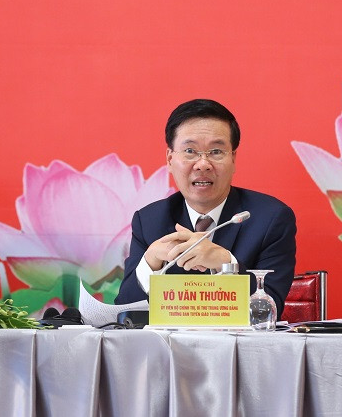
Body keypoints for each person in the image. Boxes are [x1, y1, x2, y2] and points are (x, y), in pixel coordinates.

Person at [116, 99, 297, 317]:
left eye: (216, 151)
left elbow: (267, 311)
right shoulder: (149, 221)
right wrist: (150, 263)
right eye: (190, 151)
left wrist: (226, 264)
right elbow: (123, 315)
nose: (203, 164)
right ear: (170, 160)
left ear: (233, 159)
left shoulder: (270, 219)